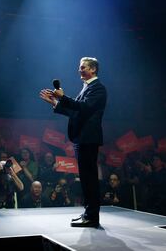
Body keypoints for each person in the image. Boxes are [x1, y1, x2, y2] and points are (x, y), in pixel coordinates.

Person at [40, 57, 107, 228]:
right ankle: (88, 213)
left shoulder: (98, 88)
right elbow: (76, 112)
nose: (80, 70)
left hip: (88, 138)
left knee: (89, 178)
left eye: (83, 67)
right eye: (79, 67)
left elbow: (83, 108)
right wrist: (56, 102)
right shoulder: (87, 87)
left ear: (93, 69)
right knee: (85, 178)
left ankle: (92, 217)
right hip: (81, 138)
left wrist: (63, 98)